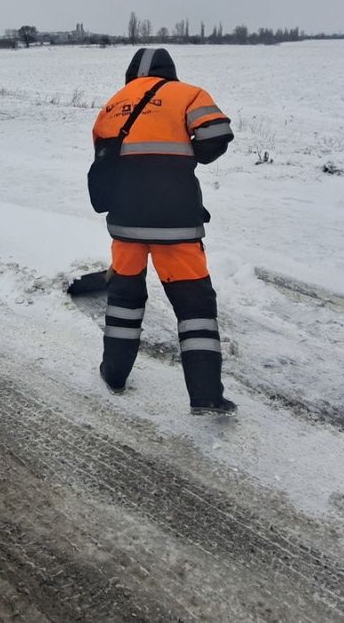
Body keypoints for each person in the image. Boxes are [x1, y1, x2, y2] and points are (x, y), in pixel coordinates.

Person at [91, 47, 236, 415]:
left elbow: (104, 159)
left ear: (130, 74)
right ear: (169, 70)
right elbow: (216, 136)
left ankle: (114, 375)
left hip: (125, 224)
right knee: (195, 308)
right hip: (177, 224)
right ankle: (206, 396)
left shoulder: (112, 105)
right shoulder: (189, 95)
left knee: (124, 301)